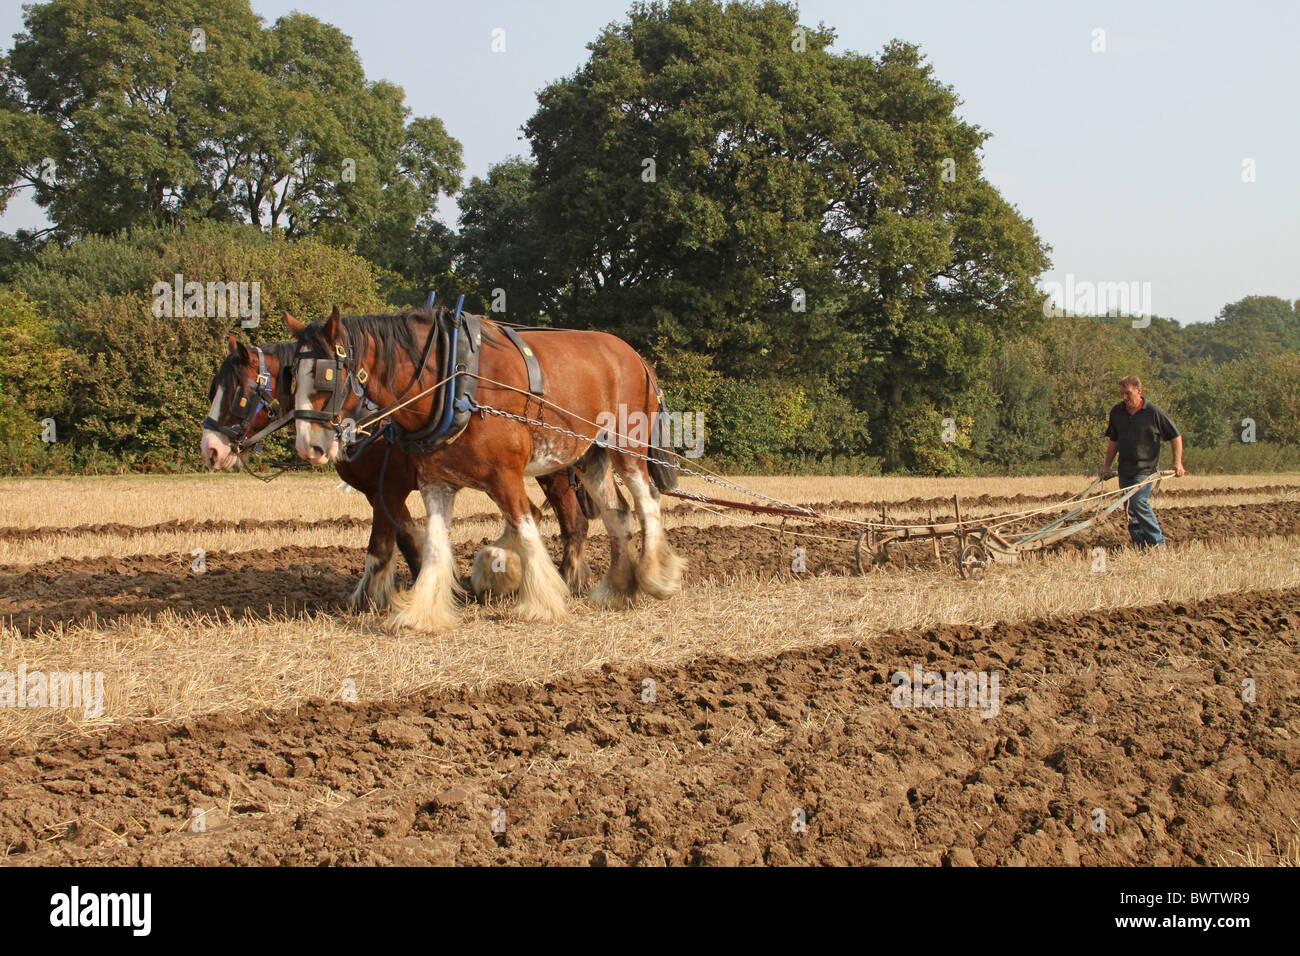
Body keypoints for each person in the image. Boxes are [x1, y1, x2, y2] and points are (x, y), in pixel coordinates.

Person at [1100, 375, 1185, 549]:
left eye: (1128, 393)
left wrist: (1178, 462)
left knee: (1139, 502)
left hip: (1146, 469)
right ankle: (1140, 545)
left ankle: (1157, 542)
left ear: (1139, 391)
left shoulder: (1153, 412)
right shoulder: (1117, 412)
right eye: (1122, 393)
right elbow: (1114, 441)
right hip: (1125, 468)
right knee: (1129, 509)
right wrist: (1107, 466)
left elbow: (1175, 436)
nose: (1124, 397)